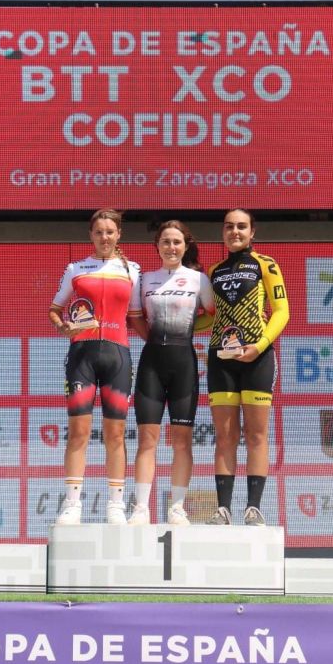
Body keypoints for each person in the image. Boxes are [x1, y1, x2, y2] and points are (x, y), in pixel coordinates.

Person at [48, 208, 147, 525]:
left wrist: (160, 342)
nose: (105, 237)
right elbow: (55, 309)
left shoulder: (132, 270)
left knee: (115, 434)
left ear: (119, 235)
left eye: (110, 232)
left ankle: (116, 504)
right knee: (78, 432)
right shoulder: (75, 269)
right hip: (82, 356)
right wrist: (63, 327)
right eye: (99, 232)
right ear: (91, 235)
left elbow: (135, 316)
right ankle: (72, 503)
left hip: (118, 355)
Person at [128, 221, 215, 526]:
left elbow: (212, 315)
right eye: (165, 241)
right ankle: (141, 507)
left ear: (185, 246)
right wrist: (154, 339)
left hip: (184, 364)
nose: (171, 247)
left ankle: (177, 507)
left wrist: (185, 333)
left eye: (177, 242)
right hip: (151, 363)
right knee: (147, 440)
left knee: (182, 441)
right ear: (157, 245)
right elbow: (136, 317)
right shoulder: (144, 279)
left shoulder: (198, 279)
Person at [206, 209, 289, 526]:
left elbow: (282, 311)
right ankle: (223, 509)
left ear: (252, 232)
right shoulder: (214, 271)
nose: (235, 232)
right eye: (229, 226)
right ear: (223, 232)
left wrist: (261, 345)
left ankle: (253, 508)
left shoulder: (266, 264)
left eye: (241, 227)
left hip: (257, 356)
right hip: (221, 358)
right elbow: (210, 317)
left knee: (256, 433)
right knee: (225, 435)